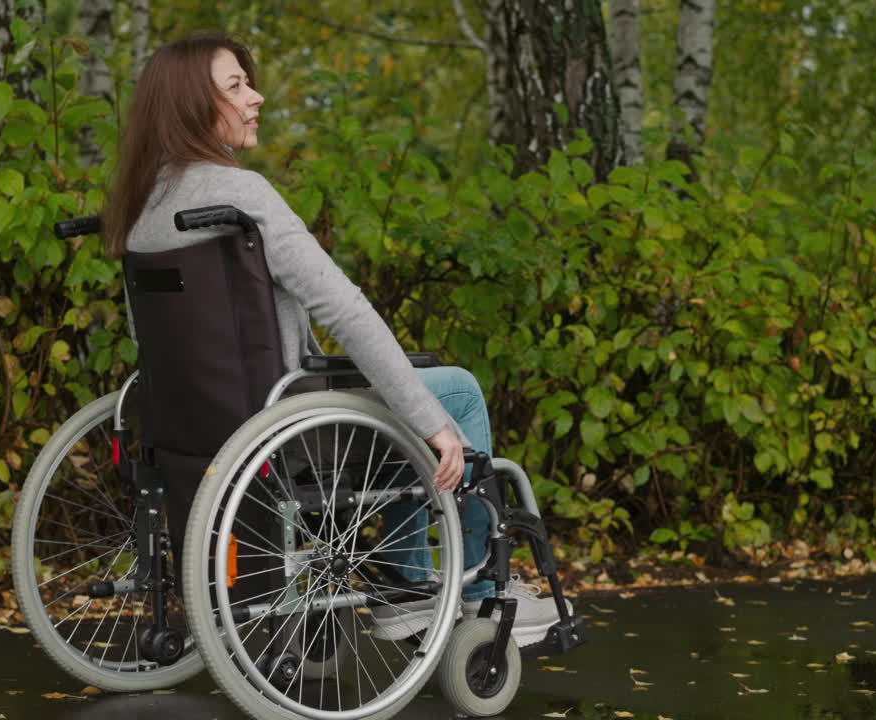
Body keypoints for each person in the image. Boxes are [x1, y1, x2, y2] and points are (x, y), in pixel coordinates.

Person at [102, 33, 568, 647]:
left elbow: (150, 338)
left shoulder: (142, 208)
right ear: (191, 104)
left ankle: (410, 588)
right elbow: (344, 307)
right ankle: (473, 594)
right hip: (287, 422)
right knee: (451, 391)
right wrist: (428, 418)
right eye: (237, 85)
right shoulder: (241, 195)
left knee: (406, 392)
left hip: (196, 426)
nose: (256, 96)